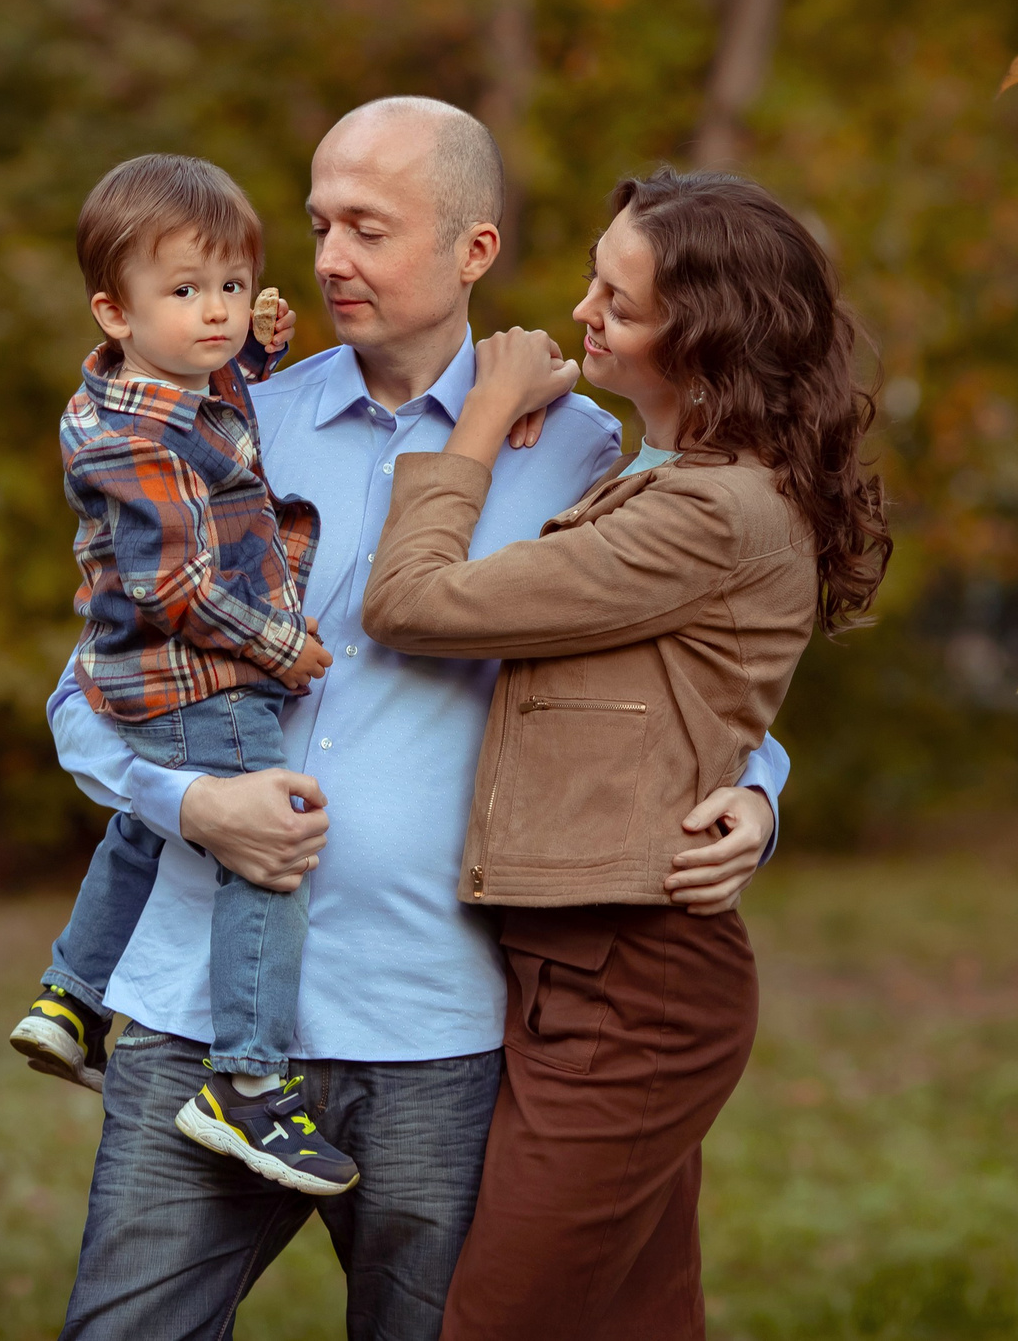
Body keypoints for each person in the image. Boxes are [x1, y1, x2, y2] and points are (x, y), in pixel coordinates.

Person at [44, 101, 792, 1341]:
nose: (327, 257)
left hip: (439, 1029)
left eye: (368, 229)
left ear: (473, 253)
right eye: (320, 223)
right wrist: (192, 803)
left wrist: (759, 785)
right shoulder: (232, 423)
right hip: (204, 1022)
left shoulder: (578, 452)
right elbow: (88, 688)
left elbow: (682, 668)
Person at [362, 167, 891, 1341]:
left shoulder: (708, 510)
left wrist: (483, 417)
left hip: (634, 989)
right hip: (579, 967)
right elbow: (674, 712)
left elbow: (410, 604)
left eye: (621, 300)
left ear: (703, 340)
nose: (583, 311)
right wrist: (760, 790)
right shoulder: (650, 475)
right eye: (596, 279)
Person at [9, 153, 361, 1197]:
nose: (217, 314)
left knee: (142, 825)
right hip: (203, 677)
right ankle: (247, 1085)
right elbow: (182, 590)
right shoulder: (142, 443)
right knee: (270, 853)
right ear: (114, 310)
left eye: (233, 288)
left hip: (151, 683)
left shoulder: (151, 390)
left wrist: (253, 352)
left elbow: (216, 402)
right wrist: (281, 647)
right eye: (185, 292)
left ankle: (68, 996)